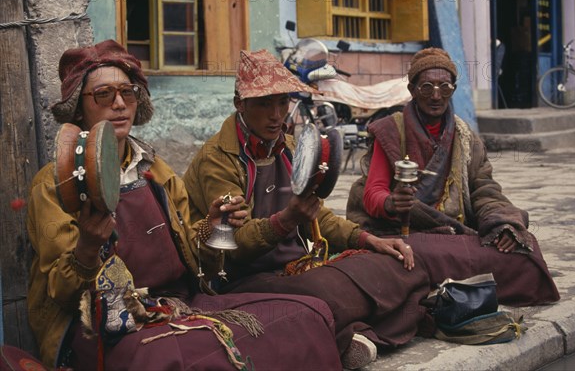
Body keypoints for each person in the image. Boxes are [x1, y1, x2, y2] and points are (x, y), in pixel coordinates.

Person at [26, 40, 342, 370]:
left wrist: (214, 225)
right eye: (104, 95)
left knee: (307, 313)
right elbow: (60, 293)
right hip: (106, 323)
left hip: (181, 303)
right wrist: (88, 248)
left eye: (128, 92)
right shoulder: (55, 185)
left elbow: (197, 253)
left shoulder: (156, 170)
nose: (119, 104)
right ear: (79, 107)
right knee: (165, 358)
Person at [183, 49, 432, 370]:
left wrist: (370, 240)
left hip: (295, 267)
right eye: (264, 103)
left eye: (282, 102)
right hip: (240, 279)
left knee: (394, 266)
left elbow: (318, 214)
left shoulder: (284, 146)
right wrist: (286, 220)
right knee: (326, 297)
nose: (276, 115)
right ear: (239, 104)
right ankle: (353, 333)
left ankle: (357, 331)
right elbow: (234, 246)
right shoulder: (218, 160)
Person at [346, 47, 560, 306]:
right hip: (407, 232)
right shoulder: (392, 130)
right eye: (426, 87)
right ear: (412, 90)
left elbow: (485, 187)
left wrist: (502, 224)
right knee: (394, 260)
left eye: (444, 87)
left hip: (455, 232)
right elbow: (372, 191)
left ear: (453, 90)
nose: (436, 96)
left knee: (524, 252)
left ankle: (441, 291)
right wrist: (391, 203)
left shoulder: (465, 136)